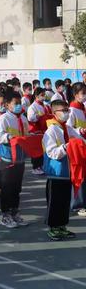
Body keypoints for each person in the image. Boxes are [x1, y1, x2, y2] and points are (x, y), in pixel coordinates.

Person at [43, 100, 79, 241]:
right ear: (54, 113)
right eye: (63, 111)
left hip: (67, 172)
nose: (66, 113)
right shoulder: (51, 130)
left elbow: (78, 138)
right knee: (54, 202)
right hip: (56, 173)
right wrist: (66, 147)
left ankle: (62, 226)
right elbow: (52, 153)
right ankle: (53, 227)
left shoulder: (66, 128)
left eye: (67, 110)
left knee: (65, 201)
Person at [0, 91, 30, 228]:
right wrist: (9, 137)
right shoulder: (4, 119)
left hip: (20, 158)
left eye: (19, 103)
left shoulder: (23, 118)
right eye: (15, 103)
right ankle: (6, 215)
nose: (18, 106)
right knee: (6, 187)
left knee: (16, 187)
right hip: (7, 158)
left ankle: (15, 212)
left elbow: (26, 134)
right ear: (7, 105)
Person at [67, 82, 86, 216]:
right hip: (76, 148)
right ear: (75, 95)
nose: (84, 96)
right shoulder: (72, 110)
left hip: (83, 145)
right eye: (82, 93)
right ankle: (77, 204)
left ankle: (82, 202)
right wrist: (79, 130)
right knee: (78, 174)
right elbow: (68, 128)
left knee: (83, 174)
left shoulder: (82, 108)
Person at [26, 87, 51, 176]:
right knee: (36, 150)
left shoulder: (44, 105)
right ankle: (35, 167)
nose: (43, 97)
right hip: (35, 131)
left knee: (42, 150)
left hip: (44, 130)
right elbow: (30, 118)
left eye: (44, 95)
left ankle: (41, 166)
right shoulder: (32, 106)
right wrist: (39, 116)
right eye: (42, 95)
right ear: (36, 96)